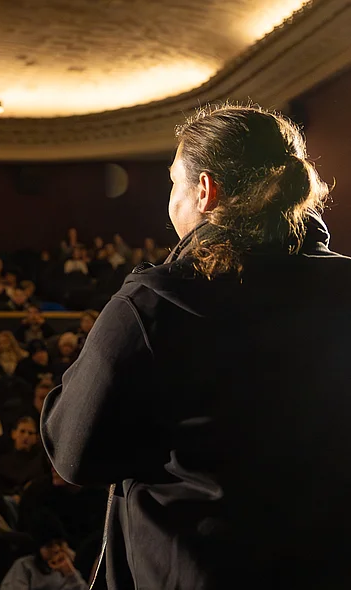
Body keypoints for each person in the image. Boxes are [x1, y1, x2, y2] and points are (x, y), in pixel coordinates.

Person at [41, 104, 351, 590]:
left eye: (173, 183)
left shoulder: (156, 303)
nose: (171, 200)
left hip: (195, 569)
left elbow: (74, 453)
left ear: (205, 191)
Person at [0, 513, 88, 590]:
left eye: (59, 543)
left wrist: (70, 574)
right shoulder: (25, 566)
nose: (56, 549)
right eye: (49, 546)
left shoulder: (69, 567)